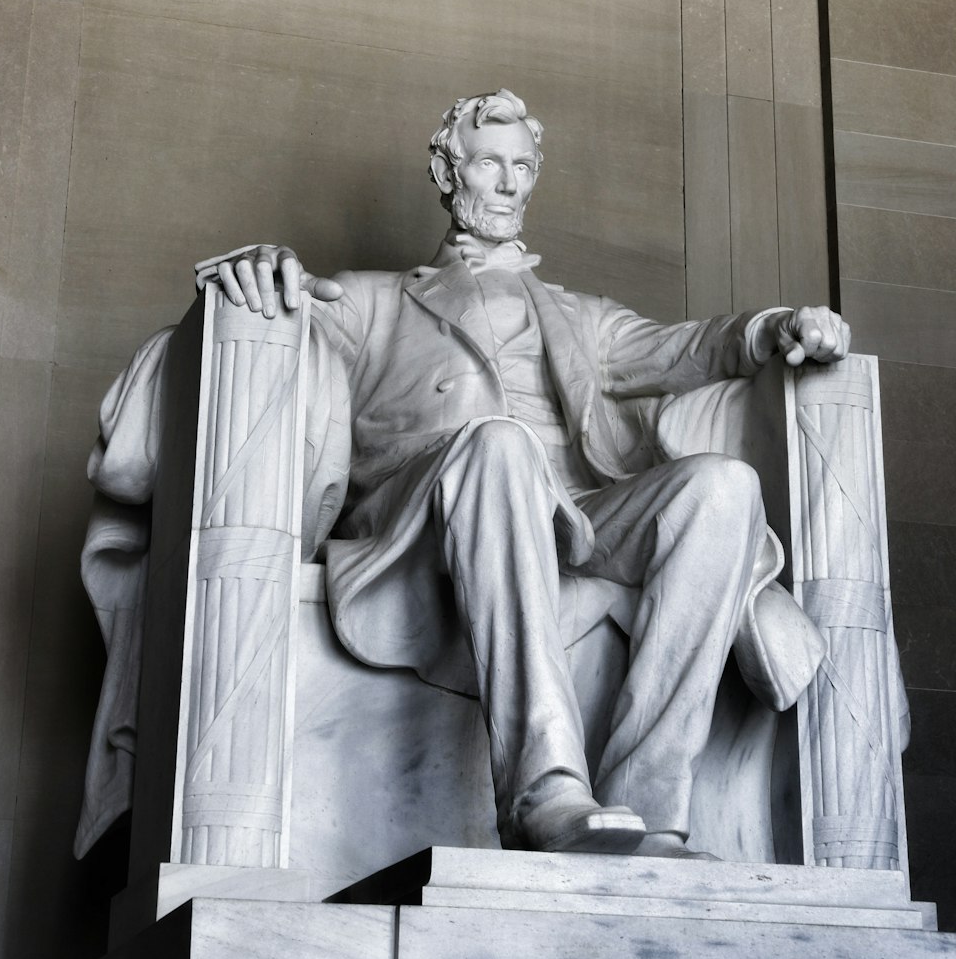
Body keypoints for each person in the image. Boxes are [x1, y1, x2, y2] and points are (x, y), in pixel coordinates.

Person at [196, 88, 848, 859]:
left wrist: (773, 329)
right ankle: (546, 794)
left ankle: (652, 806)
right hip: (428, 517)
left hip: (571, 514)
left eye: (522, 166)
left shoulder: (580, 315)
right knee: (499, 444)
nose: (508, 183)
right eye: (488, 163)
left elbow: (690, 348)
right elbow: (286, 302)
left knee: (723, 487)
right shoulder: (374, 299)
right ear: (448, 171)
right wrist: (259, 268)